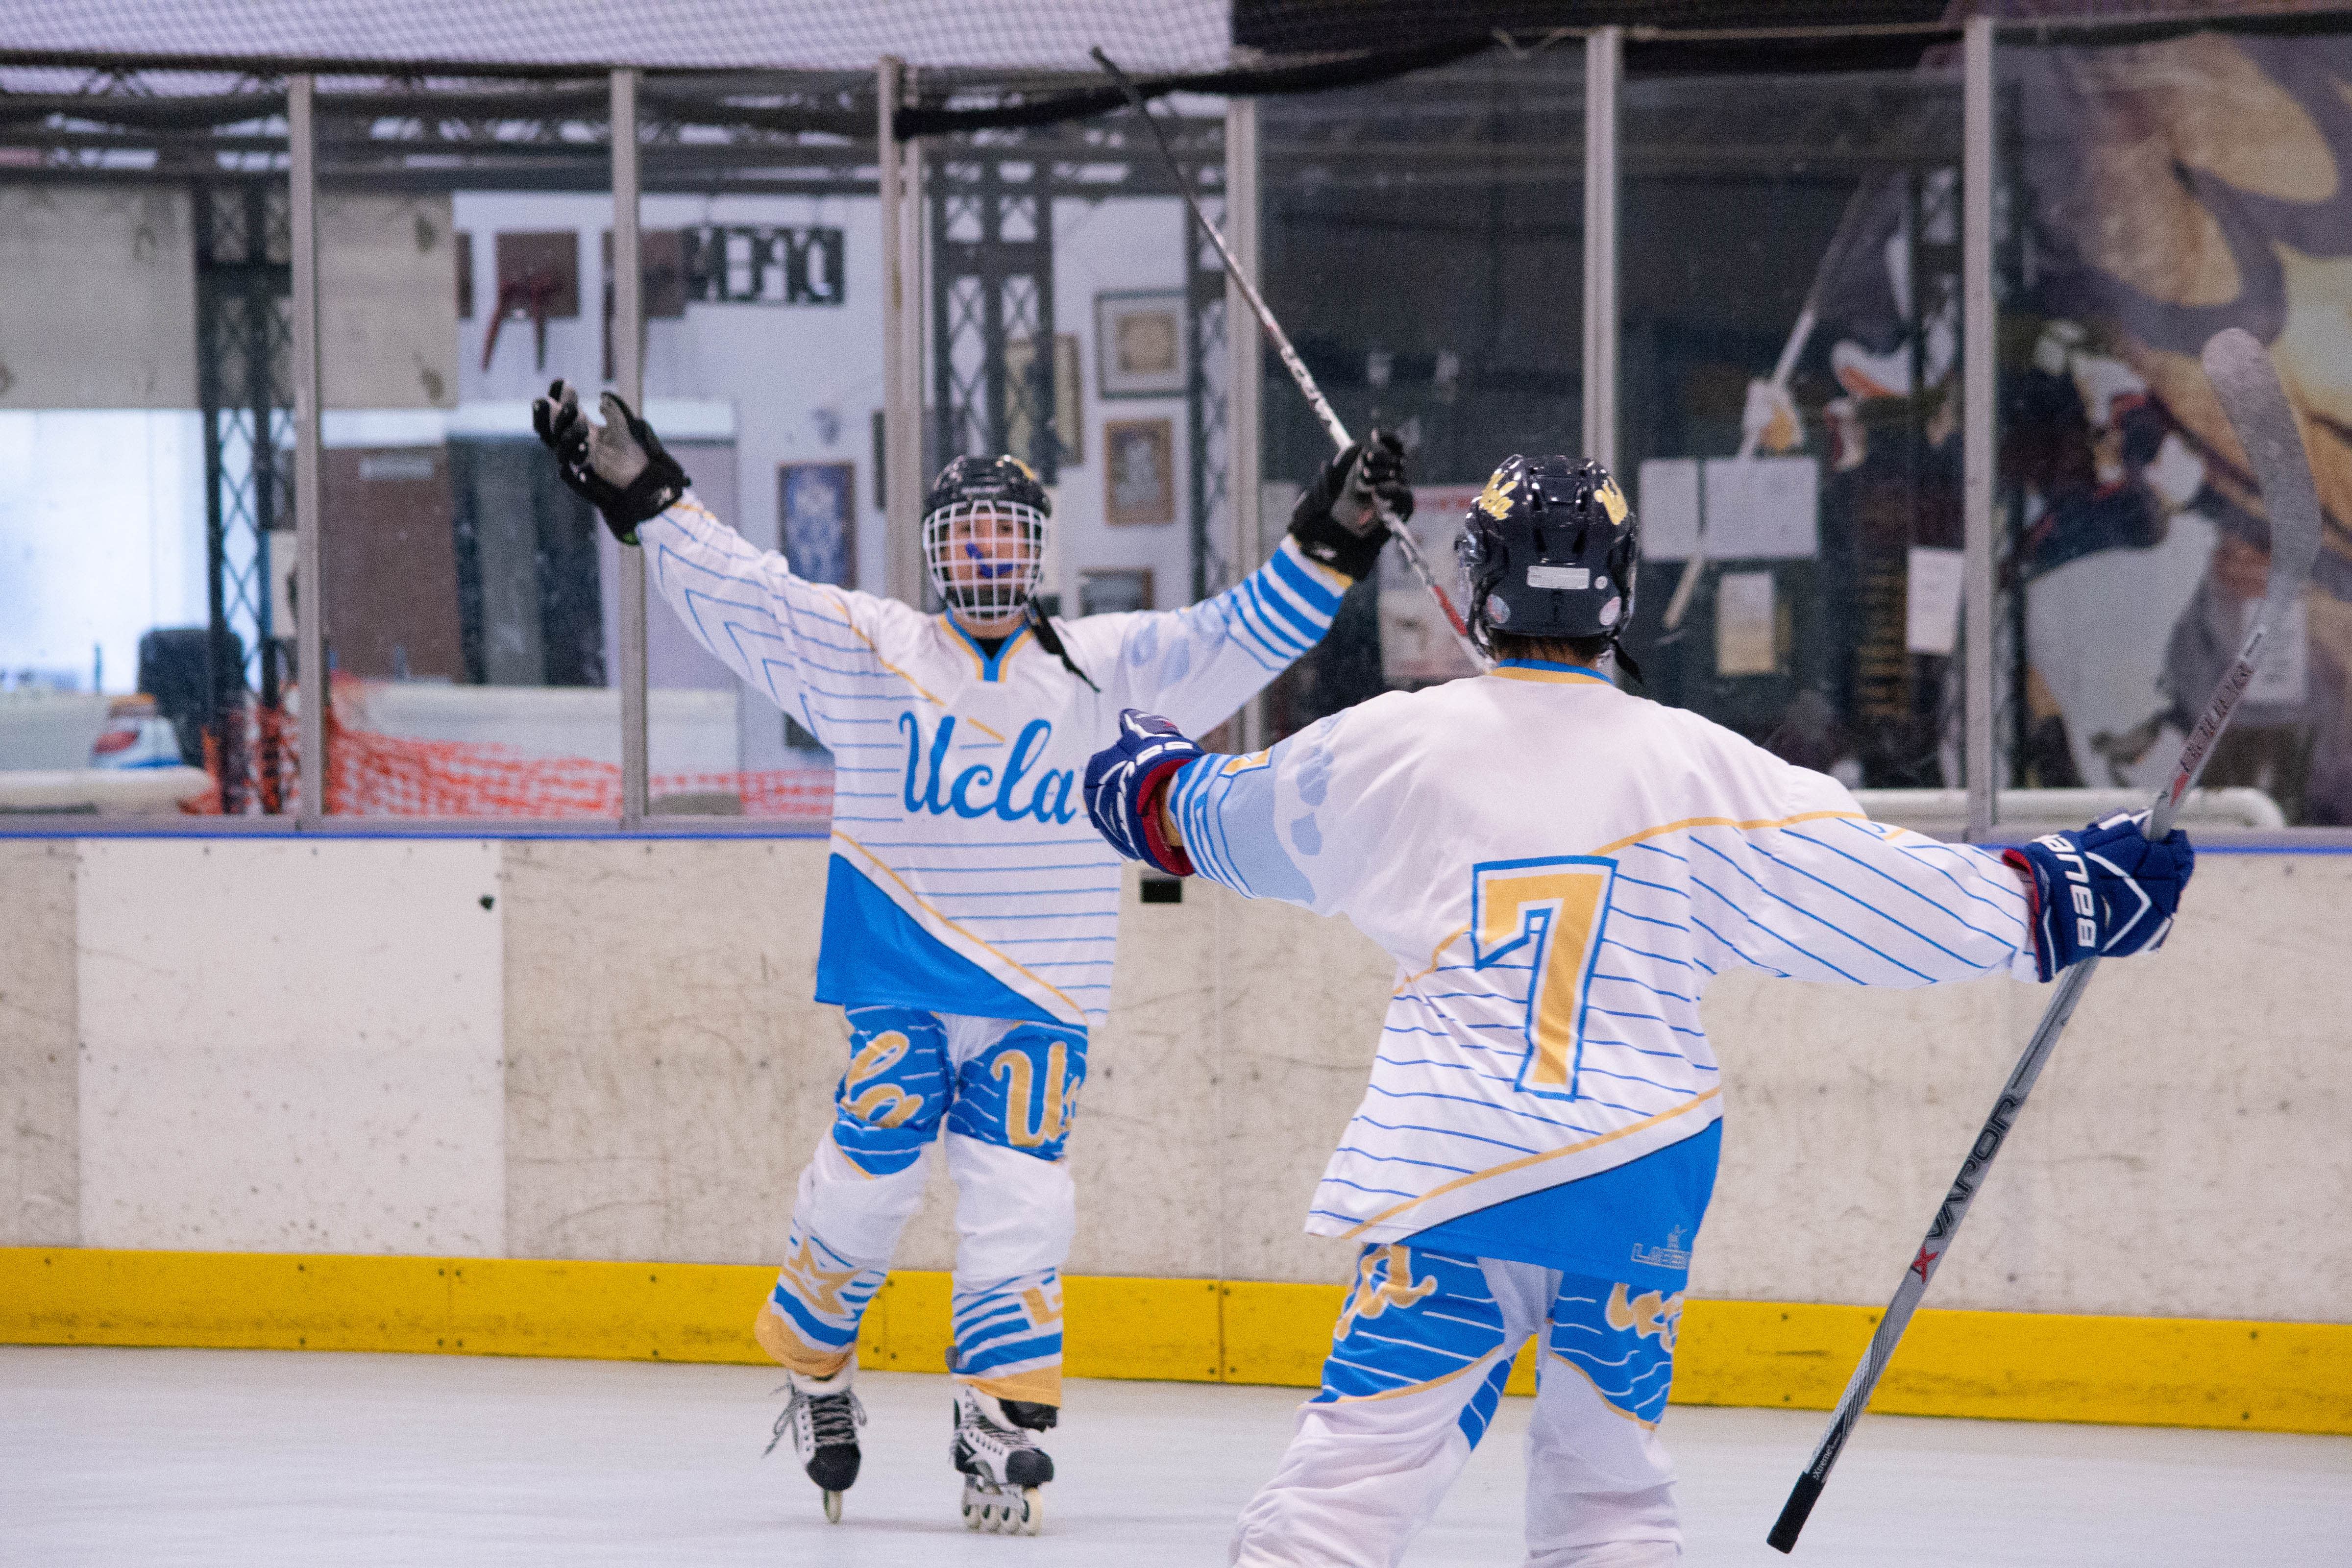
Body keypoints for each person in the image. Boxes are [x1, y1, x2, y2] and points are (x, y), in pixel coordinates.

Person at [1082, 453, 2194, 1566]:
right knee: (1609, 1502)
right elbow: (1883, 895)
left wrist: (1144, 779)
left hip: (1458, 1180)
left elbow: (1214, 822)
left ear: (1479, 584)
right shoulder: (1701, 766)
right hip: (1635, 1182)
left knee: (1349, 1492)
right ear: (1617, 588)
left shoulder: (1400, 741)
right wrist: (2057, 896)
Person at [531, 380, 1410, 1531]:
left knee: (1022, 1198)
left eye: (1009, 534)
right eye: (968, 534)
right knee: (869, 1171)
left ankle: (997, 1414)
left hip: (1042, 994)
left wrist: (1332, 537)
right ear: (939, 552)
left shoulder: (1105, 666)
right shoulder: (874, 653)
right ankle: (815, 1354)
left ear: (1037, 550)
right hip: (901, 974)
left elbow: (1233, 634)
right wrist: (650, 497)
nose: (989, 555)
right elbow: (751, 597)